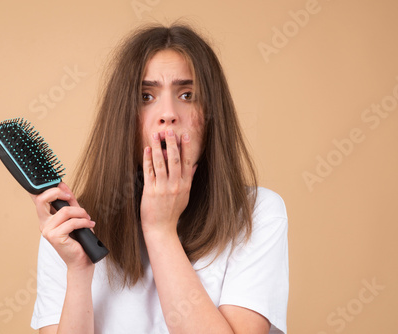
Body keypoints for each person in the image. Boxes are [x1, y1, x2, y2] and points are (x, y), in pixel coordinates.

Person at [30, 22, 289, 334]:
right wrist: (78, 271)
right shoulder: (72, 228)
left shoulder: (257, 212)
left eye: (187, 94)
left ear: (211, 114)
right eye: (146, 96)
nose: (168, 113)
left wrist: (161, 230)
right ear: (123, 115)